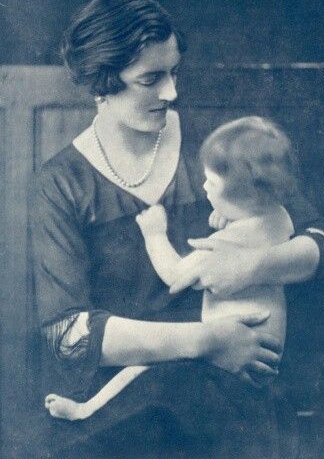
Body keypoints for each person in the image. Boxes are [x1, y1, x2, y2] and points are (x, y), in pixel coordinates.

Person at [31, 0, 324, 458]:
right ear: (102, 82)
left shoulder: (217, 148)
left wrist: (252, 268)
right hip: (124, 403)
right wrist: (208, 340)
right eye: (150, 79)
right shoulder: (61, 182)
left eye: (174, 72)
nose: (172, 92)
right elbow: (67, 336)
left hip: (227, 395)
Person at [44, 116, 297, 421]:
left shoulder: (226, 246)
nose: (204, 186)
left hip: (230, 357)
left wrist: (154, 235)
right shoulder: (278, 218)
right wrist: (231, 213)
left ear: (244, 196)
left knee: (139, 370)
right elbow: (260, 218)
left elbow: (175, 276)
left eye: (212, 183)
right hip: (266, 357)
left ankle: (85, 410)